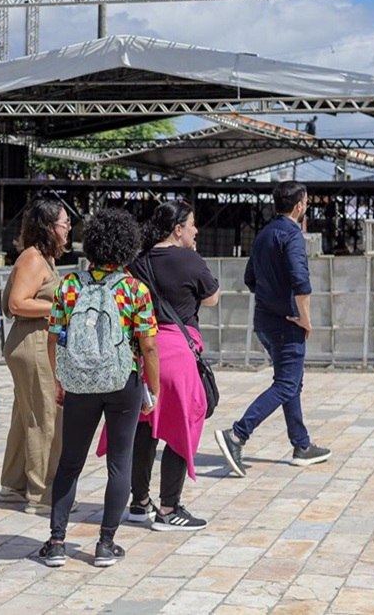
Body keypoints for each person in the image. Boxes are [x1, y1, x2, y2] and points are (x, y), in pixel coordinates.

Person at [38, 208, 160, 569]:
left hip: (80, 383)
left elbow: (53, 337)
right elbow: (149, 346)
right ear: (128, 247)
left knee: (70, 462)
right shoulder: (135, 290)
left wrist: (59, 379)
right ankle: (105, 544)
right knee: (119, 462)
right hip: (124, 382)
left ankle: (56, 542)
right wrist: (153, 389)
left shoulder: (69, 285)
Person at [214, 181, 331, 477]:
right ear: (299, 206)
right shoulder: (292, 235)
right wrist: (304, 318)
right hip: (286, 323)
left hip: (265, 321)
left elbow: (250, 278)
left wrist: (271, 299)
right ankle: (237, 434)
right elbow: (301, 284)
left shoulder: (264, 234)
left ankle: (301, 445)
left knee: (290, 381)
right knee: (287, 384)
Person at [125, 201, 220, 532]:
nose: (196, 230)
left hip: (144, 352)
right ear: (178, 229)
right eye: (192, 224)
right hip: (178, 355)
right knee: (182, 426)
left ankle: (139, 502)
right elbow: (212, 298)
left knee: (144, 427)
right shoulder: (190, 260)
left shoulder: (137, 261)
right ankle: (169, 508)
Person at [0, 198, 69, 513]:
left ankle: (13, 485)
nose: (68, 228)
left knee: (25, 414)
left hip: (36, 341)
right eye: (65, 223)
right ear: (49, 227)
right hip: (33, 342)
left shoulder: (44, 258)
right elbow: (16, 303)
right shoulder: (33, 258)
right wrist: (60, 308)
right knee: (45, 416)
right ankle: (42, 494)